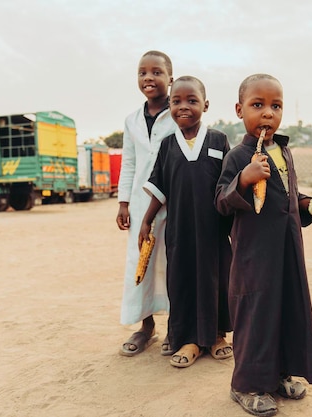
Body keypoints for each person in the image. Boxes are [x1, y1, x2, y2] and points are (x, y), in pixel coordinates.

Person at [215, 74, 312, 417]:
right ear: (239, 110)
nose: (268, 113)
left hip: (287, 253)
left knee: (285, 311)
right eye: (258, 105)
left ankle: (278, 375)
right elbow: (221, 201)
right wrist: (244, 179)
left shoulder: (283, 151)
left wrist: (309, 205)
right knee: (256, 317)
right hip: (254, 258)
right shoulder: (238, 157)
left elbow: (288, 198)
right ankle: (246, 385)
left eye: (275, 106)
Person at [139, 75, 233, 368]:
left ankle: (216, 335)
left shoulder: (218, 140)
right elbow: (159, 188)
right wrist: (146, 220)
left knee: (216, 280)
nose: (183, 106)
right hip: (180, 232)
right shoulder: (167, 146)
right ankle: (189, 340)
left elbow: (230, 184)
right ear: (169, 106)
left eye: (191, 101)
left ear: (205, 105)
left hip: (213, 231)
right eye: (176, 101)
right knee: (182, 282)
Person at [116, 50, 176, 357]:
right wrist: (124, 202)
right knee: (140, 265)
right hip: (140, 205)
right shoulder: (131, 121)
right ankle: (146, 326)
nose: (148, 78)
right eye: (142, 73)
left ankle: (175, 328)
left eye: (156, 72)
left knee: (172, 263)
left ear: (171, 79)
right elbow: (129, 163)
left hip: (174, 203)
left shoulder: (177, 114)